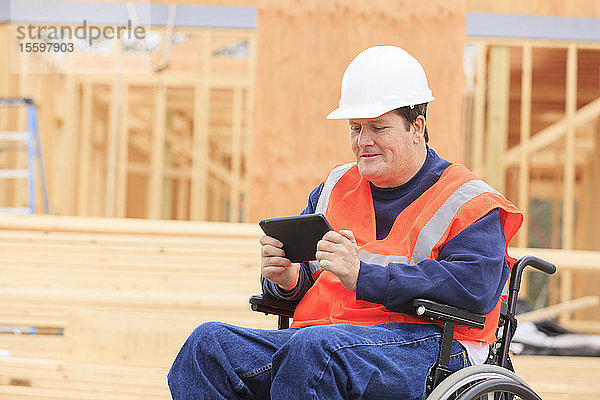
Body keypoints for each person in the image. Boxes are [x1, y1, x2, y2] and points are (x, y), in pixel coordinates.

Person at [168, 45, 523, 400]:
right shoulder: (333, 188)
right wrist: (287, 281)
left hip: (429, 346)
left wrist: (363, 275)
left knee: (314, 351)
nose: (363, 141)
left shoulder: (469, 201)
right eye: (355, 128)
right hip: (326, 339)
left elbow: (475, 289)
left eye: (378, 128)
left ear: (417, 127)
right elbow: (308, 282)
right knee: (207, 346)